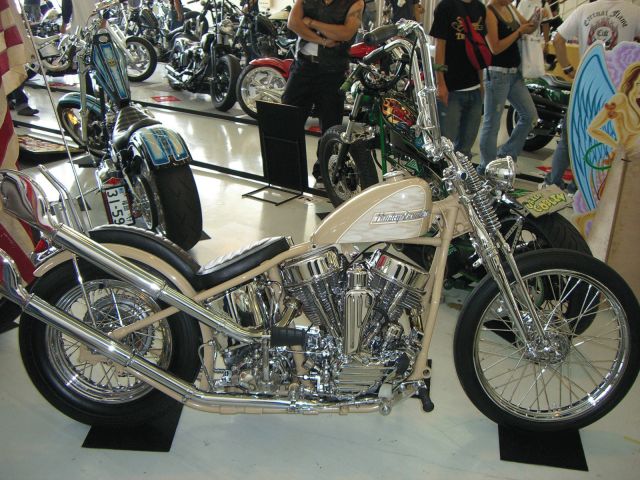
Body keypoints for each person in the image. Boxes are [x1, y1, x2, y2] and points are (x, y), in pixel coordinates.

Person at [541, 0, 640, 190]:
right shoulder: (634, 12)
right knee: (601, 142)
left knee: (570, 137)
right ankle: (580, 188)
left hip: (585, 84)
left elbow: (558, 39)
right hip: (614, 89)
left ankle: (552, 183)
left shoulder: (584, 10)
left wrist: (567, 68)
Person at [283, 0, 364, 182]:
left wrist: (311, 22)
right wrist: (323, 40)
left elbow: (345, 33)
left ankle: (324, 173)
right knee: (288, 117)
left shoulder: (355, 2)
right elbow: (293, 23)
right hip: (303, 66)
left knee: (330, 126)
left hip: (333, 71)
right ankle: (288, 170)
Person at [477, 0, 537, 175]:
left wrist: (536, 20)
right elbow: (495, 48)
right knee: (492, 123)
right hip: (497, 74)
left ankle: (506, 155)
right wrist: (519, 32)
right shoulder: (489, 11)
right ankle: (487, 167)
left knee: (530, 116)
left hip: (514, 74)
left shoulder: (510, 8)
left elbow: (527, 27)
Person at [430, 0, 487, 160]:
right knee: (445, 149)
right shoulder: (446, 6)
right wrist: (441, 84)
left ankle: (462, 176)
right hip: (451, 89)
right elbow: (440, 47)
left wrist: (481, 83)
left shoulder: (479, 8)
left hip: (474, 88)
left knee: (465, 151)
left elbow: (479, 47)